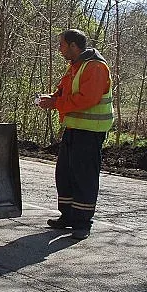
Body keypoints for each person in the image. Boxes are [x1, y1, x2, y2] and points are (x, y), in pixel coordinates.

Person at [36, 29, 113, 240]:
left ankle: (82, 223)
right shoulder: (75, 67)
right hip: (74, 129)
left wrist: (57, 103)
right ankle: (68, 216)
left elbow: (88, 99)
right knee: (65, 174)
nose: (59, 49)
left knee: (84, 177)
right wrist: (50, 99)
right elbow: (63, 93)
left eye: (61, 44)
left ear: (73, 46)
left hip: (90, 132)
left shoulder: (95, 67)